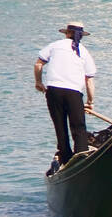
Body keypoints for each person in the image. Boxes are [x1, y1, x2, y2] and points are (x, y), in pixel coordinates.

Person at [35, 21, 97, 166]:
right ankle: (81, 158)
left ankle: (65, 158)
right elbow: (88, 80)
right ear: (81, 36)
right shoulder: (84, 51)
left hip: (53, 91)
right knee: (79, 128)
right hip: (74, 93)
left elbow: (38, 64)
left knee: (60, 125)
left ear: (67, 33)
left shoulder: (55, 45)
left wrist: (38, 82)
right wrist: (90, 102)